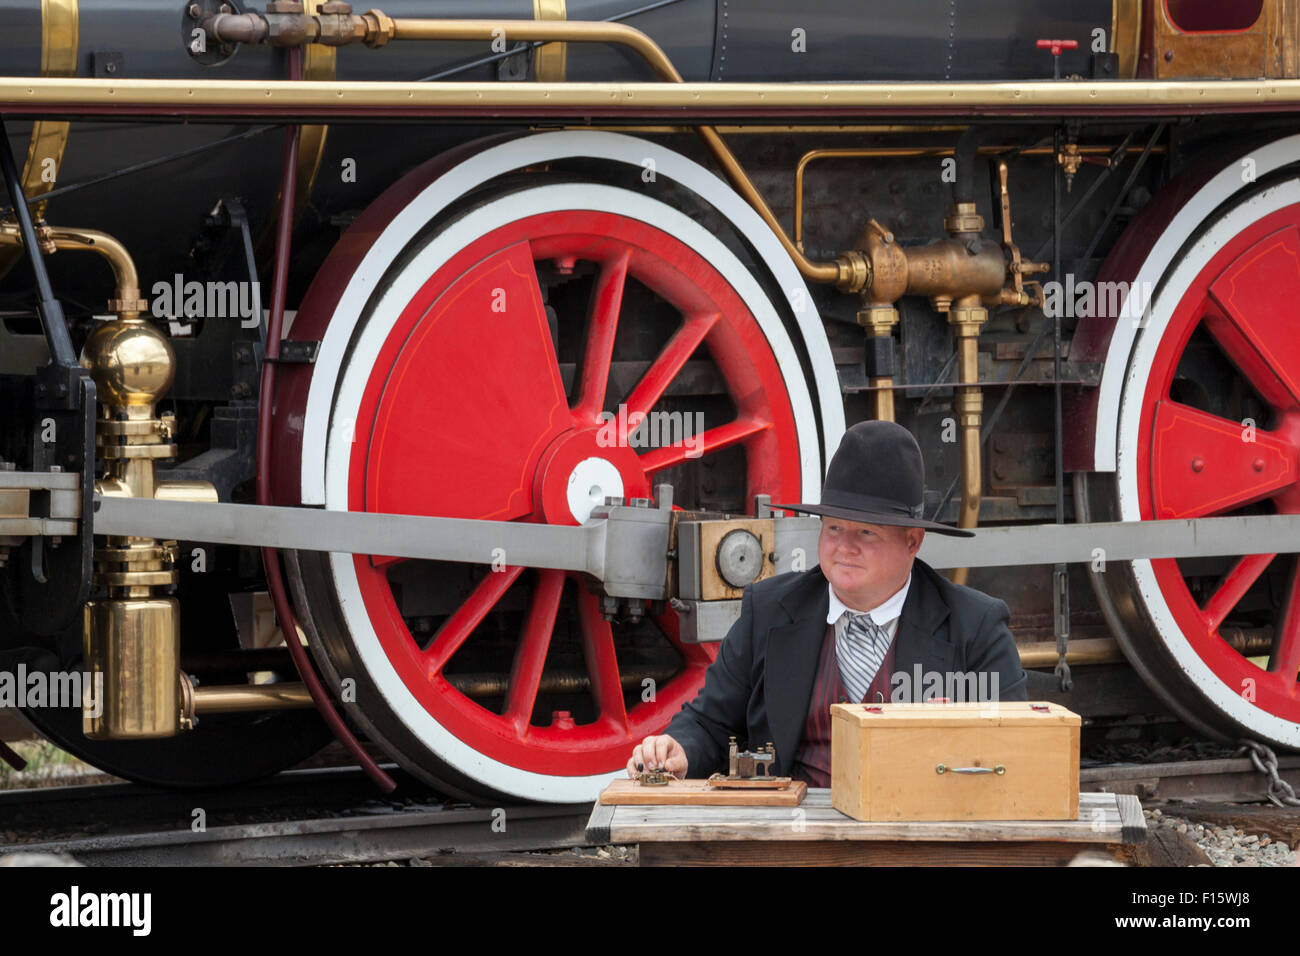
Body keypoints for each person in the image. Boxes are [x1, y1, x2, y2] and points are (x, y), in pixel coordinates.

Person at [626, 420, 1028, 786]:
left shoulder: (976, 626)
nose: (844, 547)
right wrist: (678, 750)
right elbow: (711, 723)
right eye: (834, 527)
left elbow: (1016, 755)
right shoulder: (768, 610)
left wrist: (961, 736)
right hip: (794, 847)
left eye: (866, 533)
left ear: (912, 541)